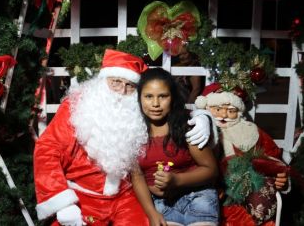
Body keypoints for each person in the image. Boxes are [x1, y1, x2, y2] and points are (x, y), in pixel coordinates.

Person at [33, 49, 212, 226]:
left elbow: (169, 111)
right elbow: (47, 150)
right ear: (103, 81)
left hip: (126, 196)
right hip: (84, 195)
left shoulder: (136, 107)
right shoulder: (78, 106)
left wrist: (203, 117)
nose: (122, 91)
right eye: (116, 82)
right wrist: (63, 204)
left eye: (130, 86)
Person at [131, 68, 219, 226]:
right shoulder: (134, 131)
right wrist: (152, 213)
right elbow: (137, 177)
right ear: (139, 98)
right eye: (148, 96)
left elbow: (211, 170)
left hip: (197, 196)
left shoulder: (186, 126)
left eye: (163, 96)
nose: (156, 104)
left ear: (172, 98)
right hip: (162, 204)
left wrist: (177, 179)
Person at [195, 82, 290, 226]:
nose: (224, 115)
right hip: (207, 200)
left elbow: (274, 159)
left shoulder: (252, 132)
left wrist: (282, 179)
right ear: (206, 108)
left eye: (231, 110)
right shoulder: (196, 132)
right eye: (218, 109)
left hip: (248, 200)